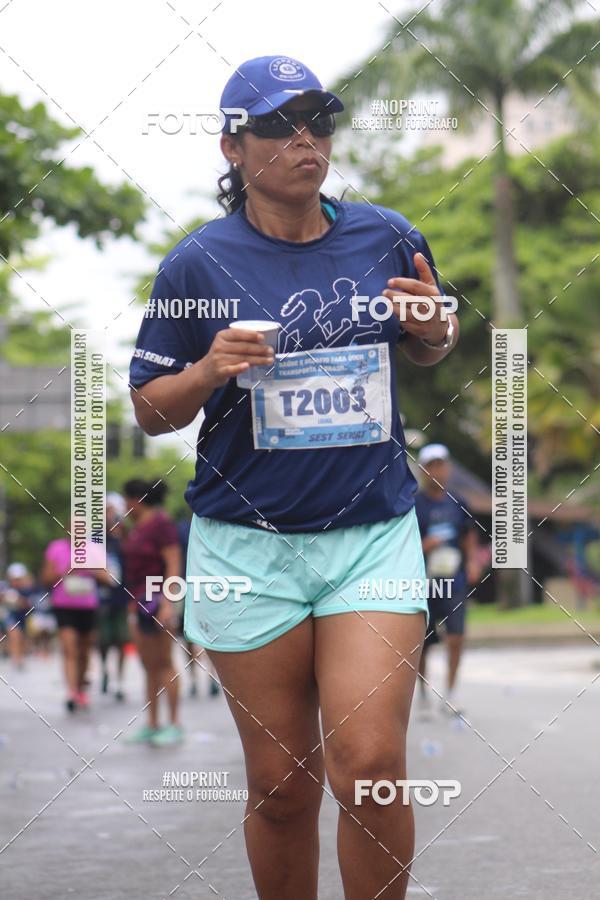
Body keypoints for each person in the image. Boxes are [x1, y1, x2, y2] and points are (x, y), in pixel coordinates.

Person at [129, 54, 459, 900]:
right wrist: (205, 372)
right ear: (234, 147)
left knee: (371, 765)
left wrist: (434, 332)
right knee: (282, 788)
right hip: (248, 549)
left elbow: (430, 337)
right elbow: (150, 409)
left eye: (319, 120)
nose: (305, 139)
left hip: (371, 536)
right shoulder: (195, 265)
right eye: (279, 124)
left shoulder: (385, 233)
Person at [414, 444, 481, 717]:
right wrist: (423, 545)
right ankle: (422, 694)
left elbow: (469, 534)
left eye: (441, 465)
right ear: (422, 470)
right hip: (424, 582)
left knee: (457, 636)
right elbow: (401, 543)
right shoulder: (413, 503)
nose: (436, 471)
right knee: (422, 642)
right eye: (431, 465)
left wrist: (473, 561)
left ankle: (451, 694)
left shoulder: (459, 502)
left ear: (448, 468)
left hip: (453, 579)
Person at [121, 479, 183, 746]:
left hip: (160, 599)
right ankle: (153, 723)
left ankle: (174, 723)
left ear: (135, 499)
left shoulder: (161, 525)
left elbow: (173, 563)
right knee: (148, 666)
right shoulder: (135, 528)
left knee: (165, 663)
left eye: (126, 500)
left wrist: (169, 603)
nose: (124, 506)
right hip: (138, 601)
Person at [40, 535, 107, 712]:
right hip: (63, 606)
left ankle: (80, 689)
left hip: (87, 606)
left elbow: (108, 578)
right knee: (69, 647)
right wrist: (66, 570)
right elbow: (45, 578)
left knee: (84, 650)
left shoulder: (95, 548)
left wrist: (90, 568)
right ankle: (71, 692)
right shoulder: (56, 547)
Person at [97, 493, 130, 701]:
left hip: (122, 597)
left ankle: (119, 679)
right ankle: (104, 670)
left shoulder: (126, 539)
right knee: (103, 640)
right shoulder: (97, 539)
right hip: (101, 597)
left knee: (122, 639)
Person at [3, 562, 35, 669]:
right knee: (14, 634)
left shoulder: (27, 589)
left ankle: (20, 656)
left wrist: (20, 601)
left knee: (21, 637)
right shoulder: (5, 587)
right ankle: (16, 658)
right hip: (10, 616)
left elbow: (29, 604)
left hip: (23, 616)